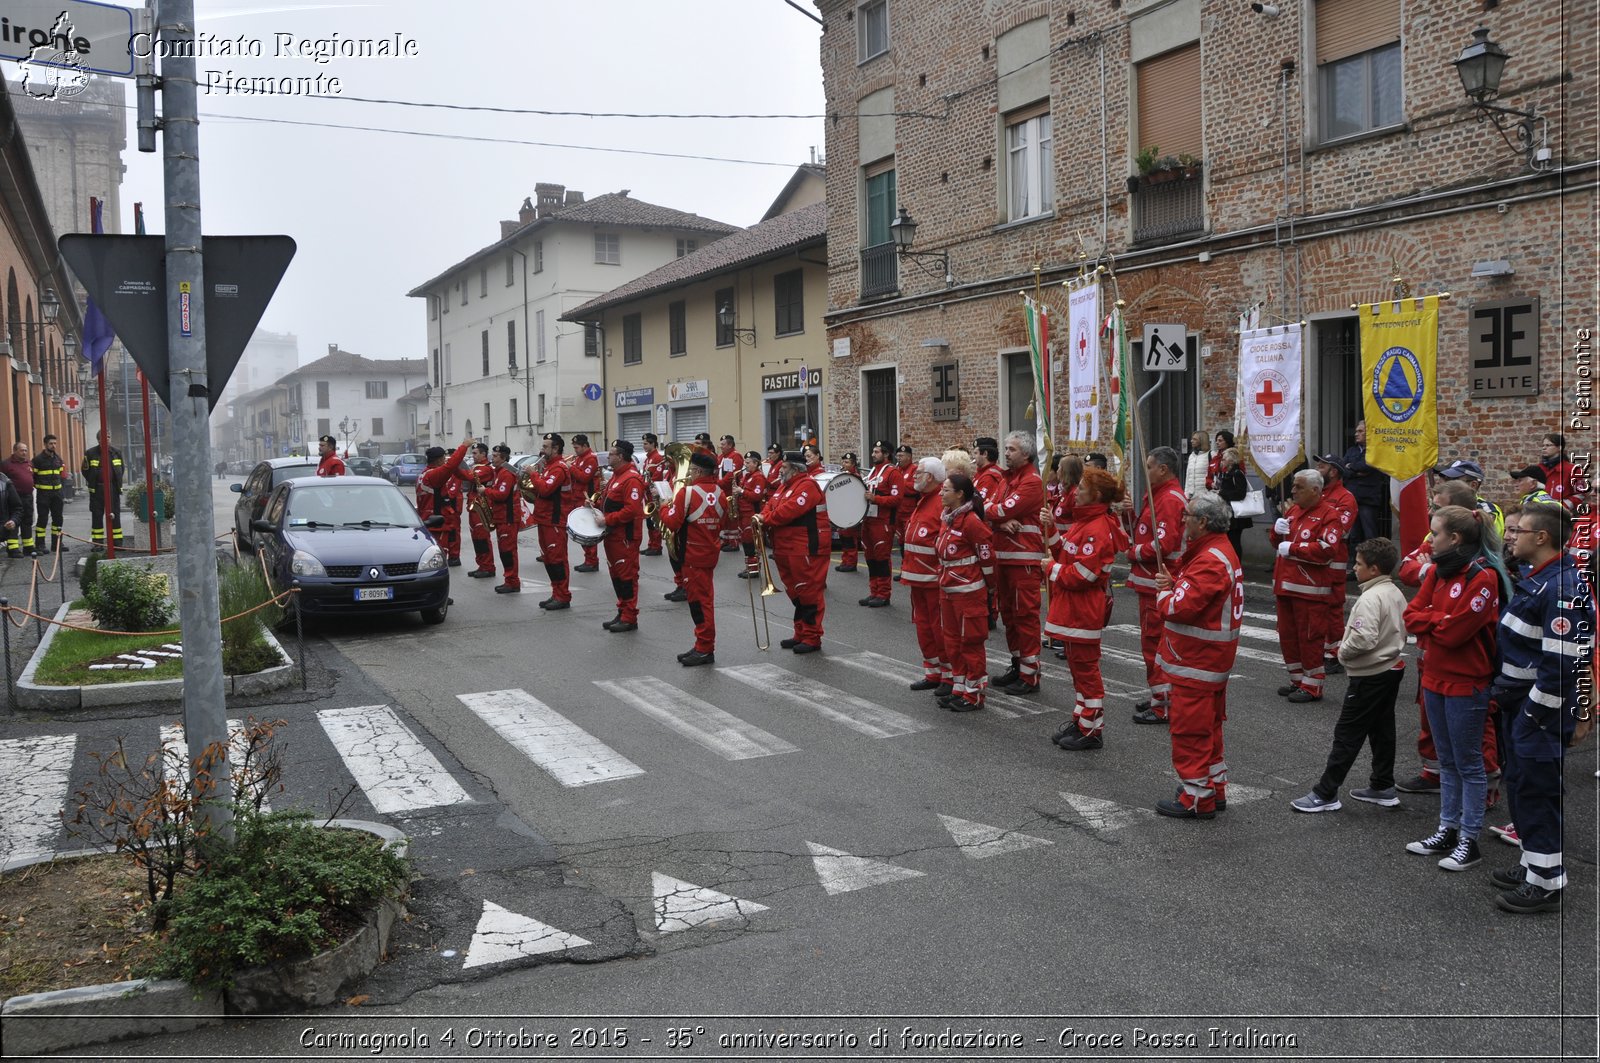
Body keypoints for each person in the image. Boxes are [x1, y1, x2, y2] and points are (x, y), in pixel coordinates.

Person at [1490, 502, 1592, 912]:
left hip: (1541, 714)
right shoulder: (1540, 579)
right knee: (1522, 787)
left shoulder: (1561, 588)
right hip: (1523, 706)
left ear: (1542, 538)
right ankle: (1534, 865)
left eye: (1520, 530)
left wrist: (1533, 715)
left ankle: (1547, 884)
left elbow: (1563, 667)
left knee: (1537, 792)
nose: (1511, 536)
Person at [1402, 504, 1502, 872]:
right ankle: (1447, 828)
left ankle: (1469, 839)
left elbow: (1457, 632)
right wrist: (1436, 619)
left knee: (1469, 763)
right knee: (1446, 762)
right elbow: (1411, 615)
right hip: (1434, 677)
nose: (1429, 541)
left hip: (1467, 683)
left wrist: (1434, 622)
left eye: (1435, 534)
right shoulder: (1439, 572)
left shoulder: (1483, 577)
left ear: (1455, 538)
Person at [1290, 537, 1408, 812]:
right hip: (1390, 668)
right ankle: (1382, 785)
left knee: (1348, 733)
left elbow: (1363, 639)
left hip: (1370, 673)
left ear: (1374, 569)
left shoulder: (1370, 598)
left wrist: (1342, 654)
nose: (1355, 568)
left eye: (1359, 564)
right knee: (1381, 730)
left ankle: (1326, 792)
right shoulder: (1394, 592)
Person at [1152, 490, 1244, 819]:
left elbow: (1179, 607)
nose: (1183, 521)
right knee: (1209, 729)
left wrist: (1165, 592)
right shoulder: (1216, 551)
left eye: (1187, 516)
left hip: (1198, 662)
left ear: (1203, 522)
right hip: (1209, 661)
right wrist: (1176, 580)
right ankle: (1213, 786)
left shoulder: (1209, 559)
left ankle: (1196, 797)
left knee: (1190, 731)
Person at [1045, 468, 1128, 749]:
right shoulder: (1084, 522)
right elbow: (1066, 552)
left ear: (1096, 495)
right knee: (1077, 669)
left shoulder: (1097, 529)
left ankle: (1092, 729)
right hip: (1070, 608)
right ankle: (1082, 720)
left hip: (1082, 609)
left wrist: (1052, 569)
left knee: (1086, 671)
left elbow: (1082, 575)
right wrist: (1051, 531)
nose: (1076, 491)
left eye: (1081, 487)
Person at [1125, 445, 1188, 721]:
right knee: (1151, 642)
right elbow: (1143, 532)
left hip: (1158, 582)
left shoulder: (1169, 499)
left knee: (1155, 644)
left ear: (1163, 470)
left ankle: (1163, 704)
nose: (1145, 470)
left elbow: (1164, 543)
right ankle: (1158, 695)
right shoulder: (1156, 495)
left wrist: (1132, 553)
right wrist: (1127, 514)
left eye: (1149, 466)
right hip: (1148, 583)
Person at [983, 432, 1045, 695]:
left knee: (1025, 617)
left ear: (1026, 454)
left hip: (1024, 560)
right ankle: (1018, 664)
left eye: (1011, 449)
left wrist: (998, 516)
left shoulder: (1031, 482)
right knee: (1009, 616)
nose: (1006, 453)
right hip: (1005, 557)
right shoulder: (1007, 479)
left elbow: (1000, 509)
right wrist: (999, 520)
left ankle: (1030, 675)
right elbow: (984, 505)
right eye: (1005, 448)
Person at [1270, 469, 1340, 702]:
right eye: (1293, 486)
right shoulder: (1293, 511)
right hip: (1285, 587)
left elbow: (1327, 550)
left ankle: (1313, 686)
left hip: (1308, 591)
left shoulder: (1329, 515)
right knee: (1288, 637)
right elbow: (1277, 544)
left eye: (1298, 487)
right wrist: (1275, 531)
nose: (1293, 491)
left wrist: (1293, 548)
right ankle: (1297, 680)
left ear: (1315, 490)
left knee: (1309, 638)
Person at [758, 450, 830, 654]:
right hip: (786, 547)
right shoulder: (784, 486)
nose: (780, 470)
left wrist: (766, 519)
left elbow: (789, 511)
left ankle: (812, 636)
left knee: (809, 592)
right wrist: (762, 516)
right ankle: (801, 632)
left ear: (795, 469)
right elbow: (770, 505)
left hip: (805, 546)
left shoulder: (808, 485)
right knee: (795, 591)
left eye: (784, 467)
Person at [936, 473, 996, 711]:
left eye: (946, 490)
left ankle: (974, 693)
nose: (941, 494)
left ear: (960, 494)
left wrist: (990, 586)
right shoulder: (948, 519)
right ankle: (959, 688)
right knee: (952, 642)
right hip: (948, 589)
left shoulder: (970, 521)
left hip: (968, 592)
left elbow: (987, 556)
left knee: (970, 643)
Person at [660, 450, 724, 665]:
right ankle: (701, 645)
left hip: (692, 554)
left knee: (700, 603)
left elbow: (672, 522)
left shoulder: (686, 493)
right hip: (710, 551)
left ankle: (705, 648)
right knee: (701, 600)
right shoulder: (719, 492)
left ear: (697, 470)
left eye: (691, 470)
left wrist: (662, 507)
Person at [899, 456, 948, 693]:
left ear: (929, 477)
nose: (914, 476)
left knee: (939, 629)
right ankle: (933, 672)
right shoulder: (925, 499)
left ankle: (948, 676)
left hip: (933, 579)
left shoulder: (940, 502)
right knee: (923, 627)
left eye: (918, 472)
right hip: (917, 577)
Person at [1314, 454, 1358, 671]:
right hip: (1314, 559)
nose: (1317, 468)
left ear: (1334, 471)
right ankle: (1322, 647)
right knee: (1316, 607)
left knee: (1332, 606)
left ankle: (1335, 652)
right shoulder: (1316, 494)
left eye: (1322, 465)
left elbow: (1338, 529)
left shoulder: (1345, 497)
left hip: (1333, 561)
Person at [599, 439, 646, 632]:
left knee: (626, 577)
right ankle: (622, 611)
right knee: (616, 576)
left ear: (620, 457)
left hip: (624, 536)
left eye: (611, 454)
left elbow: (632, 510)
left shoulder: (631, 478)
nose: (608, 457)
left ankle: (629, 617)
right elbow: (611, 502)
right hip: (613, 535)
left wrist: (607, 520)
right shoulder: (616, 476)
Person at [526, 433, 574, 610]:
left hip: (555, 520)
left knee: (557, 559)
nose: (542, 449)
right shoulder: (549, 466)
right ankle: (556, 593)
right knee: (549, 559)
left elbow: (545, 489)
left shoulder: (559, 468)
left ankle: (563, 596)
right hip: (545, 519)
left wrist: (532, 474)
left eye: (546, 447)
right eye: (543, 446)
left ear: (556, 449)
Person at [859, 441, 901, 604]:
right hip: (869, 520)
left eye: (876, 452)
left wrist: (876, 498)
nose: (873, 454)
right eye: (873, 451)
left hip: (883, 522)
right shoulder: (872, 472)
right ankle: (874, 591)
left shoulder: (893, 473)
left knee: (882, 558)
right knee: (870, 557)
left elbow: (897, 499)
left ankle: (884, 594)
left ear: (886, 454)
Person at [417, 439, 470, 567]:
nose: (445, 461)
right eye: (443, 459)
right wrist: (463, 446)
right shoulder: (434, 475)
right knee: (438, 561)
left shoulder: (424, 473)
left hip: (429, 518)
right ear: (439, 460)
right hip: (436, 521)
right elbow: (450, 466)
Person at [480, 445, 521, 594]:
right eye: (493, 455)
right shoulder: (498, 472)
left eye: (496, 456)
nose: (493, 458)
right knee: (504, 551)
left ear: (504, 458)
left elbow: (501, 495)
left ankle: (512, 582)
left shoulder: (506, 473)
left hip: (507, 518)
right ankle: (509, 580)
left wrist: (486, 491)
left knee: (508, 552)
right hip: (501, 517)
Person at [1342, 421, 1388, 549]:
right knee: (1354, 534)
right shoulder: (1351, 450)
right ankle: (1355, 563)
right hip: (1352, 500)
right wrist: (1355, 472)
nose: (1356, 434)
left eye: (1360, 431)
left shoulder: (1375, 451)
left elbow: (1367, 466)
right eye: (1356, 431)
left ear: (1370, 434)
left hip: (1368, 500)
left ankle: (1373, 561)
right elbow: (1342, 469)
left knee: (1370, 534)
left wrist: (1351, 467)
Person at [1435, 459, 1504, 538]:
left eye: (1453, 481)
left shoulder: (1487, 509)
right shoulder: (1444, 506)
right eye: (1446, 479)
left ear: (1473, 485)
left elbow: (1483, 540)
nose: (1446, 484)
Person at [81, 430, 125, 548]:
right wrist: (93, 481)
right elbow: (85, 470)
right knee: (97, 515)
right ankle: (98, 543)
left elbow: (122, 469)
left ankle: (117, 542)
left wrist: (116, 484)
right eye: (104, 437)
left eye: (109, 437)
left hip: (113, 488)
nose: (107, 439)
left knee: (115, 514)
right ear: (99, 439)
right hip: (97, 489)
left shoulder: (116, 452)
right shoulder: (90, 453)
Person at [730, 450, 769, 579]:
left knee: (750, 542)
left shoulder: (758, 477)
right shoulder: (747, 476)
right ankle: (750, 568)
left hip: (751, 513)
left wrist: (741, 491)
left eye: (748, 463)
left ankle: (754, 570)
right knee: (746, 542)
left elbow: (756, 496)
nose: (745, 465)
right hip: (743, 513)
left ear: (755, 463)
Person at [568, 434, 602, 573]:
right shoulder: (579, 458)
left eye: (577, 447)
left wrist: (570, 467)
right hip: (577, 497)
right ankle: (589, 560)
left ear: (584, 446)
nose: (575, 450)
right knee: (582, 529)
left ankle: (592, 561)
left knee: (588, 530)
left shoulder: (591, 458)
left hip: (587, 498)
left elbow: (584, 477)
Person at [462, 443, 496, 577]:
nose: (473, 456)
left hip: (481, 507)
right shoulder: (475, 467)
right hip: (473, 506)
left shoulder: (486, 469)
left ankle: (488, 566)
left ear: (483, 454)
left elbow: (470, 477)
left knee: (482, 537)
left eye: (475, 453)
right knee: (476, 538)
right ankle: (481, 565)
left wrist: (455, 467)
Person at [31, 433, 66, 554]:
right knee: (42, 520)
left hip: (57, 494)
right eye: (51, 443)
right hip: (43, 495)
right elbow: (32, 477)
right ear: (45, 444)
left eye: (55, 443)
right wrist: (41, 488)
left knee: (58, 519)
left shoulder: (58, 459)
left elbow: (62, 476)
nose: (53, 446)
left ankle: (56, 544)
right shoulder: (37, 460)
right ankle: (40, 545)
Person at [1214, 447, 1251, 558]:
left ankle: (1236, 564)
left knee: (1234, 541)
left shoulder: (1237, 473)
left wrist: (1221, 493)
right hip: (1229, 512)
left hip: (1236, 515)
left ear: (1231, 460)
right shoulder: (1229, 472)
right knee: (1230, 540)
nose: (1222, 461)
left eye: (1224, 459)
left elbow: (1240, 494)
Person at [0, 443, 35, 557]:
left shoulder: (28, 463)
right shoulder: (6, 464)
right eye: (22, 450)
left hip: (28, 497)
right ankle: (13, 548)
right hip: (14, 498)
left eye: (26, 450)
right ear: (14, 451)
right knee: (14, 521)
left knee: (27, 521)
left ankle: (28, 547)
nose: (24, 453)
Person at [1536, 433, 1580, 511]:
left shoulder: (1572, 470)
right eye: (1543, 445)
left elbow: (1580, 494)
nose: (1544, 448)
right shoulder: (1538, 469)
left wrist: (1562, 506)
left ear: (1559, 448)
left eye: (1548, 445)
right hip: (1539, 514)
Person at [641, 433, 669, 556]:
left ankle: (657, 546)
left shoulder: (657, 458)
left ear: (653, 444)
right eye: (643, 443)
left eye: (646, 444)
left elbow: (656, 477)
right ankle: (651, 544)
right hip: (647, 494)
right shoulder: (648, 458)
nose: (644, 446)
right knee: (649, 521)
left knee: (655, 520)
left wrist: (642, 485)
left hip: (653, 493)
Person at [835, 451, 862, 573]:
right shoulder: (843, 476)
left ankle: (851, 562)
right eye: (843, 462)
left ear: (853, 464)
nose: (844, 464)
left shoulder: (856, 477)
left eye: (847, 462)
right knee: (843, 537)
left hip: (851, 511)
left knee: (850, 538)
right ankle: (845, 561)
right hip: (843, 510)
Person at [1183, 430, 1211, 497]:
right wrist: (1186, 493)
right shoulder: (1192, 456)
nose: (1191, 441)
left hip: (1205, 496)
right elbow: (1188, 476)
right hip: (1191, 495)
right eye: (1192, 439)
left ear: (1202, 440)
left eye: (1194, 439)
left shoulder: (1211, 455)